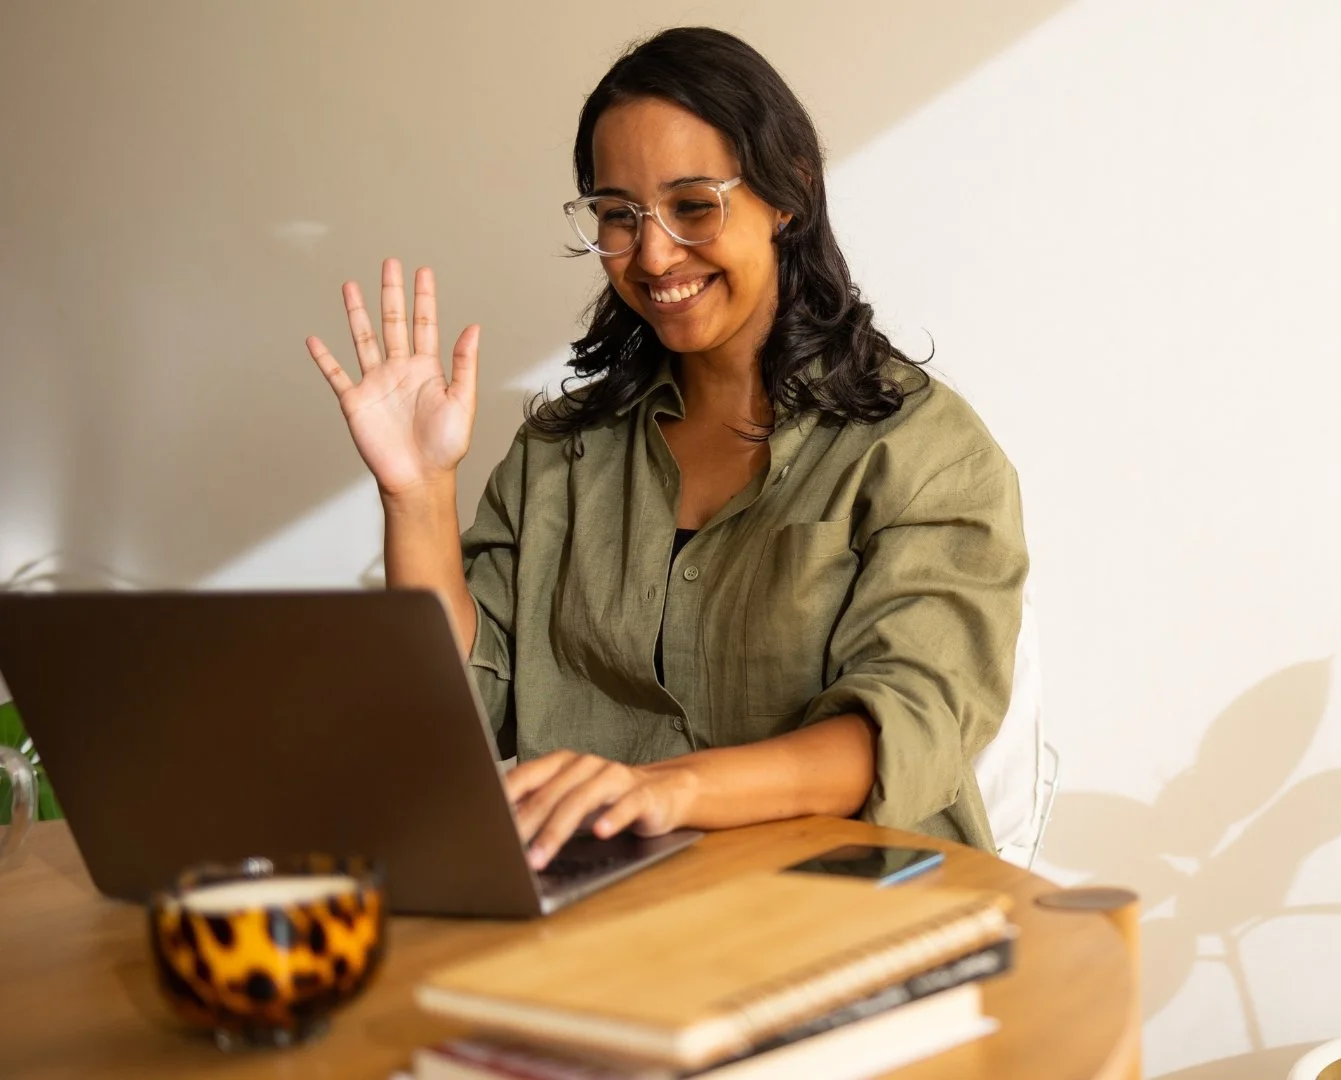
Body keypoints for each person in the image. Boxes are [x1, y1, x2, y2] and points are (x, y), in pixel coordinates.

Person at [304, 27, 1027, 867]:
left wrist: (664, 789)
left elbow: (905, 726)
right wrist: (418, 494)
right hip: (599, 907)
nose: (651, 254)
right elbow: (454, 714)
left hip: (841, 913)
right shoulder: (559, 456)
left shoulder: (921, 450)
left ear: (786, 192)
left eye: (692, 205)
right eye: (619, 215)